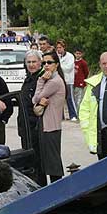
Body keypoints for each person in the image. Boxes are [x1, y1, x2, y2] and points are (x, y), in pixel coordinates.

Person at [32, 51, 66, 183]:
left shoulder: (54, 82)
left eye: (49, 62)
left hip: (51, 127)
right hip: (47, 126)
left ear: (56, 65)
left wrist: (40, 80)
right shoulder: (51, 80)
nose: (46, 65)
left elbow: (35, 98)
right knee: (48, 162)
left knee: (53, 165)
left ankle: (58, 191)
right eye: (44, 63)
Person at [19, 49, 47, 186]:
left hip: (35, 128)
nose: (31, 64)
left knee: (38, 163)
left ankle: (40, 189)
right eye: (28, 62)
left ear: (40, 63)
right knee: (29, 163)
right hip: (25, 128)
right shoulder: (28, 78)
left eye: (34, 62)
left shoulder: (41, 80)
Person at [56, 39, 78, 121]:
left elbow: (68, 68)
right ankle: (60, 116)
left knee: (69, 98)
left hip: (68, 80)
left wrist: (59, 67)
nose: (59, 49)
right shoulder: (57, 56)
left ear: (64, 47)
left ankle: (73, 115)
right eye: (57, 48)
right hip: (59, 80)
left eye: (60, 47)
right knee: (59, 98)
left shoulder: (70, 56)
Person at [73, 47, 89, 114]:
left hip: (80, 82)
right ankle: (74, 112)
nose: (78, 55)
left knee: (79, 98)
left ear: (82, 54)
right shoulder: (72, 62)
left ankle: (78, 113)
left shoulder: (83, 63)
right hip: (73, 82)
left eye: (79, 53)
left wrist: (83, 80)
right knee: (73, 98)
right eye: (77, 53)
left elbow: (86, 72)